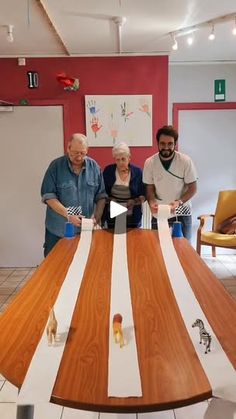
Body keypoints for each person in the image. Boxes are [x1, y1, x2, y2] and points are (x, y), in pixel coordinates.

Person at [41, 133, 107, 256]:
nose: (79, 157)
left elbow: (101, 196)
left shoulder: (94, 167)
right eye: (75, 152)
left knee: (83, 266)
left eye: (82, 153)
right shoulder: (55, 166)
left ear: (87, 150)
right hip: (58, 230)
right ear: (68, 148)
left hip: (85, 230)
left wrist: (96, 218)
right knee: (55, 267)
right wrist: (69, 215)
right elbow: (49, 196)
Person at [143, 125, 197, 240]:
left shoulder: (185, 161)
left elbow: (193, 188)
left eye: (170, 144)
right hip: (159, 212)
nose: (166, 147)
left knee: (183, 251)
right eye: (162, 143)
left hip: (182, 211)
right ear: (157, 143)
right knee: (158, 250)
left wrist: (179, 202)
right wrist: (151, 201)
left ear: (175, 144)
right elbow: (149, 187)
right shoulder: (150, 163)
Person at [102, 142, 145, 228]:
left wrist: (134, 201)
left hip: (132, 215)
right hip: (113, 214)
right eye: (117, 160)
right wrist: (110, 200)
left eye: (123, 159)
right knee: (113, 239)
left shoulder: (137, 172)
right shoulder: (108, 171)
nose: (121, 162)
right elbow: (102, 192)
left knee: (132, 239)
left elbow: (143, 194)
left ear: (129, 158)